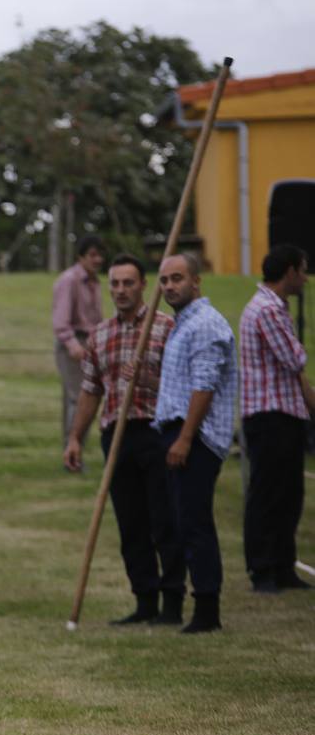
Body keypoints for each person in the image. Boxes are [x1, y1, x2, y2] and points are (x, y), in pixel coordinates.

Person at [63, 255, 184, 625]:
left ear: (143, 285)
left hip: (157, 431)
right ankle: (144, 601)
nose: (120, 290)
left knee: (164, 520)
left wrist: (149, 381)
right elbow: (89, 391)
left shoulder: (166, 327)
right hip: (116, 435)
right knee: (131, 524)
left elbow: (184, 388)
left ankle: (172, 604)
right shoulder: (100, 334)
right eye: (114, 284)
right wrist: (75, 439)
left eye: (128, 283)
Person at [153, 253, 237, 634]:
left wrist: (185, 438)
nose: (169, 286)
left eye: (177, 279)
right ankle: (200, 604)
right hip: (177, 431)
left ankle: (207, 610)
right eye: (164, 280)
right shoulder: (181, 324)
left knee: (195, 522)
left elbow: (203, 386)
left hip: (197, 437)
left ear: (196, 281)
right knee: (183, 521)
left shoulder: (204, 324)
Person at [239, 244, 315, 593]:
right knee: (268, 493)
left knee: (288, 493)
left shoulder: (274, 307)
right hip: (269, 415)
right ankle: (263, 567)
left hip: (284, 411)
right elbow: (294, 357)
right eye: (303, 270)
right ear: (289, 272)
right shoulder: (267, 310)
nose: (305, 277)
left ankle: (283, 566)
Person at [54, 235, 106, 449]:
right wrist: (72, 345)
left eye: (100, 255)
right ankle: (74, 449)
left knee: (78, 398)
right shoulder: (69, 280)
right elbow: (61, 320)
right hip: (73, 344)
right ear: (81, 257)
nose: (97, 260)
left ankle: (72, 448)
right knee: (80, 399)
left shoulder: (94, 281)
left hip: (91, 342)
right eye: (92, 255)